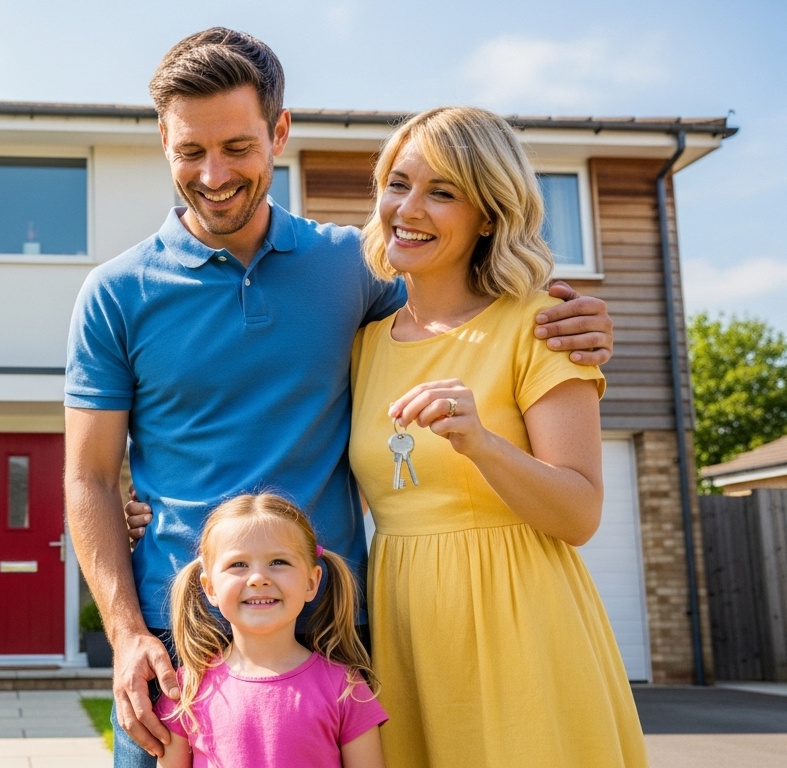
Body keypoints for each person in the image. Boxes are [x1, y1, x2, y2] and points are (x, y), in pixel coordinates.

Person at [63, 28, 615, 768]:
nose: (214, 173)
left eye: (237, 147)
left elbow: (462, 306)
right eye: (190, 151)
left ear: (280, 133)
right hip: (179, 642)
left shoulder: (353, 267)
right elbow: (88, 477)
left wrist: (582, 319)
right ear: (164, 140)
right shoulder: (114, 294)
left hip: (329, 633)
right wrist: (126, 633)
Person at [349, 106, 647, 766]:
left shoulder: (542, 325)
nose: (410, 208)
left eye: (443, 192)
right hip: (404, 631)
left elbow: (579, 512)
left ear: (489, 214)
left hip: (523, 628)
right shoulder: (365, 344)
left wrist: (481, 441)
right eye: (398, 184)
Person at [154, 494, 386, 768]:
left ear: (312, 582)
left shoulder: (346, 688)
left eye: (278, 562)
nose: (259, 579)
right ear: (210, 588)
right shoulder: (187, 690)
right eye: (238, 564)